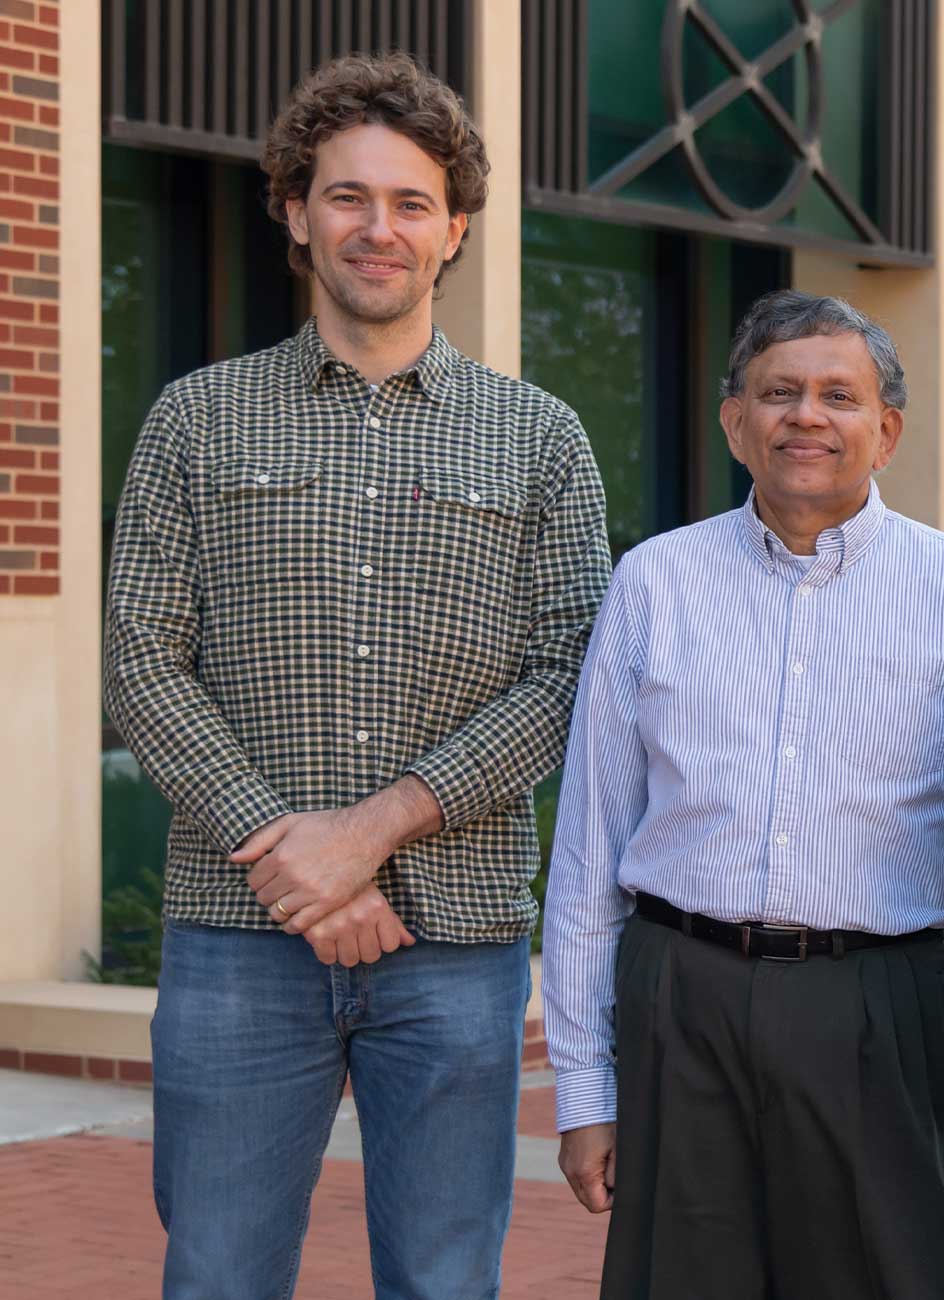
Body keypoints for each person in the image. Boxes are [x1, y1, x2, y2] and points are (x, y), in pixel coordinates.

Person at [101, 54, 611, 1299]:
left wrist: (368, 833)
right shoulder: (195, 419)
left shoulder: (541, 438)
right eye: (347, 196)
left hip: (455, 943)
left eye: (411, 202)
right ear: (294, 210)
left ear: (455, 230)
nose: (378, 227)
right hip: (238, 937)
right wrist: (300, 864)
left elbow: (568, 676)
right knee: (218, 1275)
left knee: (444, 1281)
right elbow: (142, 659)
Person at [541, 289, 944, 1298]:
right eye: (778, 392)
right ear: (734, 422)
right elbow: (589, 850)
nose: (807, 416)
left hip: (877, 1007)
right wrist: (584, 1089)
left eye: (839, 395)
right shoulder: (653, 582)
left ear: (887, 431)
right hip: (681, 999)